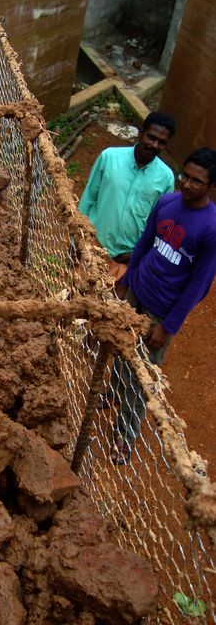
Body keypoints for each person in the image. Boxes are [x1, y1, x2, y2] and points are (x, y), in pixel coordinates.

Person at [110, 147, 216, 464]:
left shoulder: (211, 228)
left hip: (161, 310)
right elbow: (144, 243)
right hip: (138, 290)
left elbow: (199, 286)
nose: (187, 184)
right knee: (120, 347)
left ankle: (125, 436)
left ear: (210, 186)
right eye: (185, 175)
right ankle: (111, 394)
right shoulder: (168, 202)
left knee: (142, 375)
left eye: (197, 181)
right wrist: (126, 281)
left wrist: (167, 325)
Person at [79, 111, 176, 282]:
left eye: (162, 142)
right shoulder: (109, 157)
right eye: (151, 137)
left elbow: (159, 224)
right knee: (76, 296)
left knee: (106, 306)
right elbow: (88, 198)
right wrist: (78, 237)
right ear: (141, 132)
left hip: (127, 259)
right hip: (93, 245)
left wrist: (137, 254)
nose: (154, 145)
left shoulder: (166, 177)